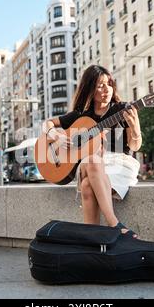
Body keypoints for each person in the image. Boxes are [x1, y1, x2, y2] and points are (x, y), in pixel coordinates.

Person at [42, 65, 142, 239]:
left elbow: (134, 146)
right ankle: (114, 225)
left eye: (109, 84)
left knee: (87, 184)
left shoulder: (123, 109)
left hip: (120, 164)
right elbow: (47, 123)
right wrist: (55, 136)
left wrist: (135, 128)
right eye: (100, 85)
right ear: (89, 89)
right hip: (93, 165)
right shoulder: (82, 116)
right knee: (92, 160)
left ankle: (94, 239)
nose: (106, 89)